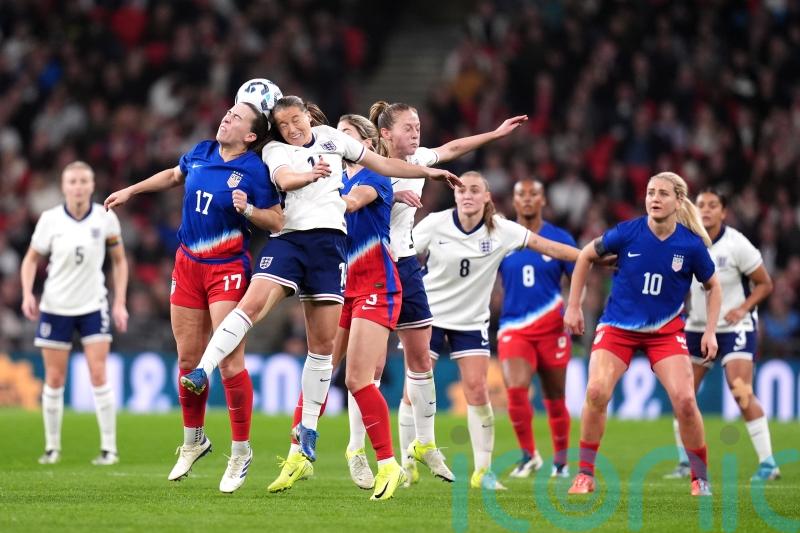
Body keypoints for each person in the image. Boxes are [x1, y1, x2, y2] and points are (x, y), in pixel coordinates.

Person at [181, 96, 461, 481]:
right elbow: (284, 179)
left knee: (325, 349)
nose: (292, 129)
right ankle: (204, 369)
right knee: (252, 304)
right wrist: (310, 176)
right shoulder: (277, 150)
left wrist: (427, 173)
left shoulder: (336, 143)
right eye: (283, 125)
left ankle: (311, 430)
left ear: (308, 118)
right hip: (290, 240)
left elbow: (383, 166)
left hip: (332, 250)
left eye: (296, 120)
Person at [104, 100, 282, 493]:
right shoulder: (202, 151)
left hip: (227, 268)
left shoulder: (255, 169)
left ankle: (241, 451)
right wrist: (131, 190)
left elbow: (277, 219)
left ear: (251, 135)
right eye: (228, 112)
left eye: (237, 117)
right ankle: (194, 441)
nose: (227, 117)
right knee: (188, 359)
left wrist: (250, 210)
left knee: (229, 361)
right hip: (187, 264)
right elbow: (173, 175)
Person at [368, 100, 528, 485]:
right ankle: (361, 451)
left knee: (419, 364)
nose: (416, 133)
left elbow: (454, 147)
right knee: (368, 370)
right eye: (408, 127)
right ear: (386, 133)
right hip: (370, 265)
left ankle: (423, 448)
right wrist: (392, 195)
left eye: (418, 126)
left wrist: (495, 134)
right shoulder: (367, 163)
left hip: (405, 266)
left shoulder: (419, 158)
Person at [412, 171, 580, 490]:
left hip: (476, 322)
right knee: (414, 391)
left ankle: (485, 472)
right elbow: (401, 254)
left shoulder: (503, 231)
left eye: (475, 190)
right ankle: (409, 464)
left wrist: (593, 256)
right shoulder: (435, 223)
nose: (467, 195)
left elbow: (554, 250)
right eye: (462, 190)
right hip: (433, 316)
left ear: (487, 196)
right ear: (455, 195)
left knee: (480, 391)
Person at [563, 172, 722, 497]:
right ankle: (584, 475)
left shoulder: (690, 245)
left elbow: (713, 286)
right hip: (618, 327)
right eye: (650, 193)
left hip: (665, 332)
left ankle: (700, 478)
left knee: (686, 401)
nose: (654, 199)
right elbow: (585, 255)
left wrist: (710, 331)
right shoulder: (627, 232)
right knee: (596, 392)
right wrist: (574, 306)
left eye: (663, 193)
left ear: (678, 200)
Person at [665, 188, 778, 481]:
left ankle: (768, 464)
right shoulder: (685, 242)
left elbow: (765, 283)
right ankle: (685, 463)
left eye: (713, 205)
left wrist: (743, 309)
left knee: (741, 391)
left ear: (723, 212)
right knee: (683, 395)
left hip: (734, 327)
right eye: (701, 204)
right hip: (697, 327)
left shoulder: (736, 244)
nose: (706, 209)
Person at [20, 160, 129, 466]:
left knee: (99, 374)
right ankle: (52, 447)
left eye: (83, 181)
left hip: (93, 304)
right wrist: (27, 293)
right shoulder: (50, 220)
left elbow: (119, 260)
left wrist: (119, 302)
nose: (78, 187)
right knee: (55, 378)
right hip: (56, 307)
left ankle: (109, 448)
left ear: (92, 186)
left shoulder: (105, 217)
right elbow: (30, 259)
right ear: (64, 186)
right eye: (73, 181)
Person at [497, 178, 575, 479]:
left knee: (555, 397)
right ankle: (529, 455)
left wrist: (576, 306)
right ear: (514, 201)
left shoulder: (560, 238)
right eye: (521, 194)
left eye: (534, 194)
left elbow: (579, 272)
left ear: (543, 200)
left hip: (552, 327)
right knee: (516, 391)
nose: (528, 199)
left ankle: (561, 462)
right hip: (514, 326)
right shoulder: (502, 236)